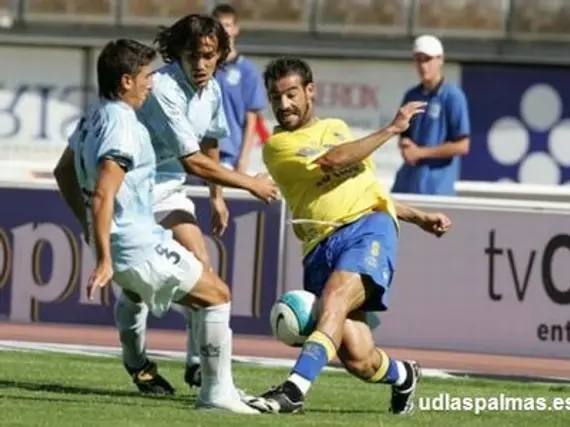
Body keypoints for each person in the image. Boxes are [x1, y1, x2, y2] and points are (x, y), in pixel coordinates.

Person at [55, 14, 279, 397]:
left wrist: (216, 195)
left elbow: (210, 141)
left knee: (201, 264)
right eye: (194, 55)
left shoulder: (212, 92)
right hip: (139, 188)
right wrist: (249, 183)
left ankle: (198, 365)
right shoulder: (160, 88)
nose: (202, 63)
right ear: (177, 53)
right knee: (143, 290)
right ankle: (139, 361)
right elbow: (192, 158)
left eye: (211, 55)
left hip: (170, 189)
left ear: (221, 54)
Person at [244, 57, 452, 415]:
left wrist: (418, 217)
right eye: (276, 97)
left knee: (336, 298)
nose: (284, 105)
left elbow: (369, 190)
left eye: (291, 94)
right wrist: (390, 129)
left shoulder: (337, 126)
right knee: (360, 359)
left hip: (368, 227)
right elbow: (334, 160)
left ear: (310, 91)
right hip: (319, 247)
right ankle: (404, 375)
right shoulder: (277, 147)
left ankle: (294, 390)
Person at [391, 34, 470, 196]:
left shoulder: (452, 96)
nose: (422, 65)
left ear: (440, 60)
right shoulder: (412, 95)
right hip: (407, 185)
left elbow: (462, 145)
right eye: (418, 60)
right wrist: (405, 144)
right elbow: (404, 134)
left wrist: (421, 152)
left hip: (436, 189)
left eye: (427, 59)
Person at [212, 3, 268, 172]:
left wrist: (243, 159)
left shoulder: (247, 71)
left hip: (227, 154)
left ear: (236, 29)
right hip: (199, 152)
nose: (223, 31)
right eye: (218, 26)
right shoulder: (202, 67)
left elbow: (251, 119)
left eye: (227, 26)